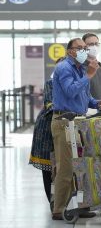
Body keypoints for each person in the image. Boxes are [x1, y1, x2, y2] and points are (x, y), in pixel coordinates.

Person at [50, 38, 101, 220]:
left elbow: (84, 96)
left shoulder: (80, 69)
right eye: (80, 48)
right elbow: (70, 91)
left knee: (81, 166)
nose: (84, 51)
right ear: (70, 52)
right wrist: (89, 76)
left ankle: (79, 205)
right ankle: (59, 209)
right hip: (63, 121)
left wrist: (97, 103)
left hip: (78, 121)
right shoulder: (64, 68)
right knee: (66, 167)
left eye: (85, 48)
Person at [29, 78, 55, 207]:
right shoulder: (51, 83)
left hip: (65, 126)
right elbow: (50, 104)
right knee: (48, 167)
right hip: (46, 127)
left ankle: (69, 203)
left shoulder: (74, 81)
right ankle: (53, 203)